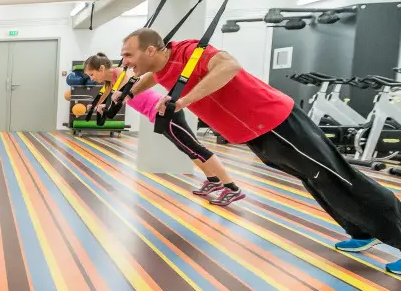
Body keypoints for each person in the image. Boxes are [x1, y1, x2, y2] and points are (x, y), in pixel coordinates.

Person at [121, 28, 401, 274]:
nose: (125, 61)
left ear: (150, 50)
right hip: (254, 132)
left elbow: (229, 66)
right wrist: (129, 92)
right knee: (314, 179)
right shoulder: (161, 66)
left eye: (128, 55)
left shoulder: (191, 52)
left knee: (338, 176)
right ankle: (363, 231)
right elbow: (153, 77)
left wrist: (183, 101)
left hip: (275, 122)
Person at [83, 53, 244, 205]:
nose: (91, 78)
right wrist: (99, 105)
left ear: (102, 69)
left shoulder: (120, 73)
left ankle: (232, 188)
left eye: (92, 74)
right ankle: (213, 180)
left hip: (165, 111)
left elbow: (124, 92)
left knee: (196, 148)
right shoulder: (112, 81)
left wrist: (109, 102)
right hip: (157, 115)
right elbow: (119, 97)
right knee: (187, 149)